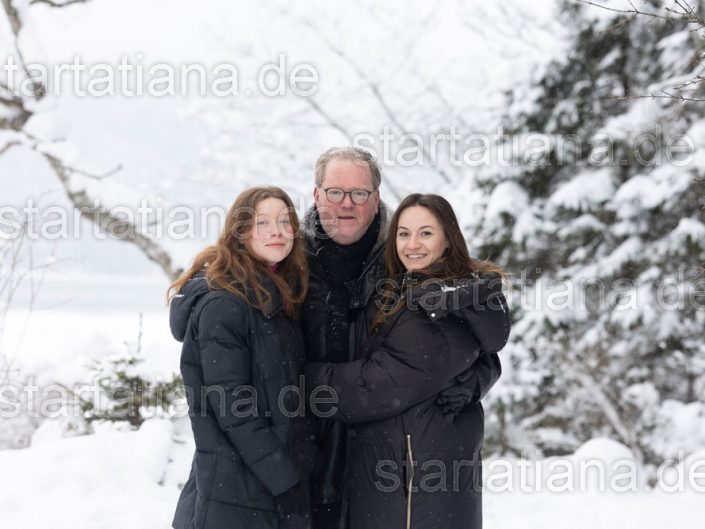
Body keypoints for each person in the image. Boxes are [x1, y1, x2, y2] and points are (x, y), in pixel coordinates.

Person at [300, 147, 504, 529]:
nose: (346, 203)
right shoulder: (290, 260)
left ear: (376, 197)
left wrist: (477, 378)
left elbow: (465, 346)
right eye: (335, 192)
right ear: (316, 193)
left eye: (359, 193)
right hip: (307, 448)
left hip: (377, 452)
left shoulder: (399, 261)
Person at [167, 186, 315, 529]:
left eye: (285, 221)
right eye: (263, 223)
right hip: (239, 494)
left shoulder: (274, 294)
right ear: (240, 231)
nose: (277, 231)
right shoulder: (225, 304)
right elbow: (233, 408)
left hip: (260, 485)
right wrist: (284, 481)